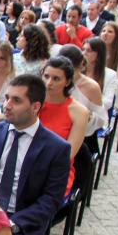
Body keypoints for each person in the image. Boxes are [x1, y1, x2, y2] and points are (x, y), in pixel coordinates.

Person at [0, 74, 70, 235]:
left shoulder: (56, 148)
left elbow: (51, 200)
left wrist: (13, 223)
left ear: (36, 107)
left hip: (21, 224)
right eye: (6, 98)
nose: (7, 105)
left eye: (16, 100)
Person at [39, 56, 89, 195]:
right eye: (46, 76)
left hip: (55, 171)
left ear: (67, 82)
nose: (49, 83)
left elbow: (68, 154)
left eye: (56, 79)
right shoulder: (33, 103)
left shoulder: (78, 112)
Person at [58, 45, 105, 153]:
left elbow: (101, 119)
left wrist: (87, 117)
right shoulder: (52, 83)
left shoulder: (91, 87)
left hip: (84, 138)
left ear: (79, 66)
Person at [83, 36, 118, 115]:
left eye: (88, 51)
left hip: (96, 115)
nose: (84, 53)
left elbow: (108, 103)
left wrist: (87, 102)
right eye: (83, 49)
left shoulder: (110, 75)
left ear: (98, 55)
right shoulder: (78, 71)